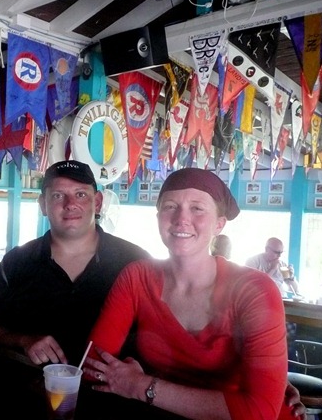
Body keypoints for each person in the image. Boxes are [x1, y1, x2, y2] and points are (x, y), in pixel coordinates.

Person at [83, 167, 301, 420]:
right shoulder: (137, 277)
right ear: (157, 218)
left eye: (197, 208)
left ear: (219, 224)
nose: (181, 219)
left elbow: (258, 412)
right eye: (170, 206)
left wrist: (141, 385)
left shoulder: (255, 290)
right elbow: (93, 367)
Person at [0, 160, 151, 366]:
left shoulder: (135, 261)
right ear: (42, 205)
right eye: (58, 195)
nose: (70, 203)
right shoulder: (16, 262)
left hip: (113, 394)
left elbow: (157, 334)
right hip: (31, 389)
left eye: (81, 194)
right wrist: (24, 340)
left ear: (98, 202)